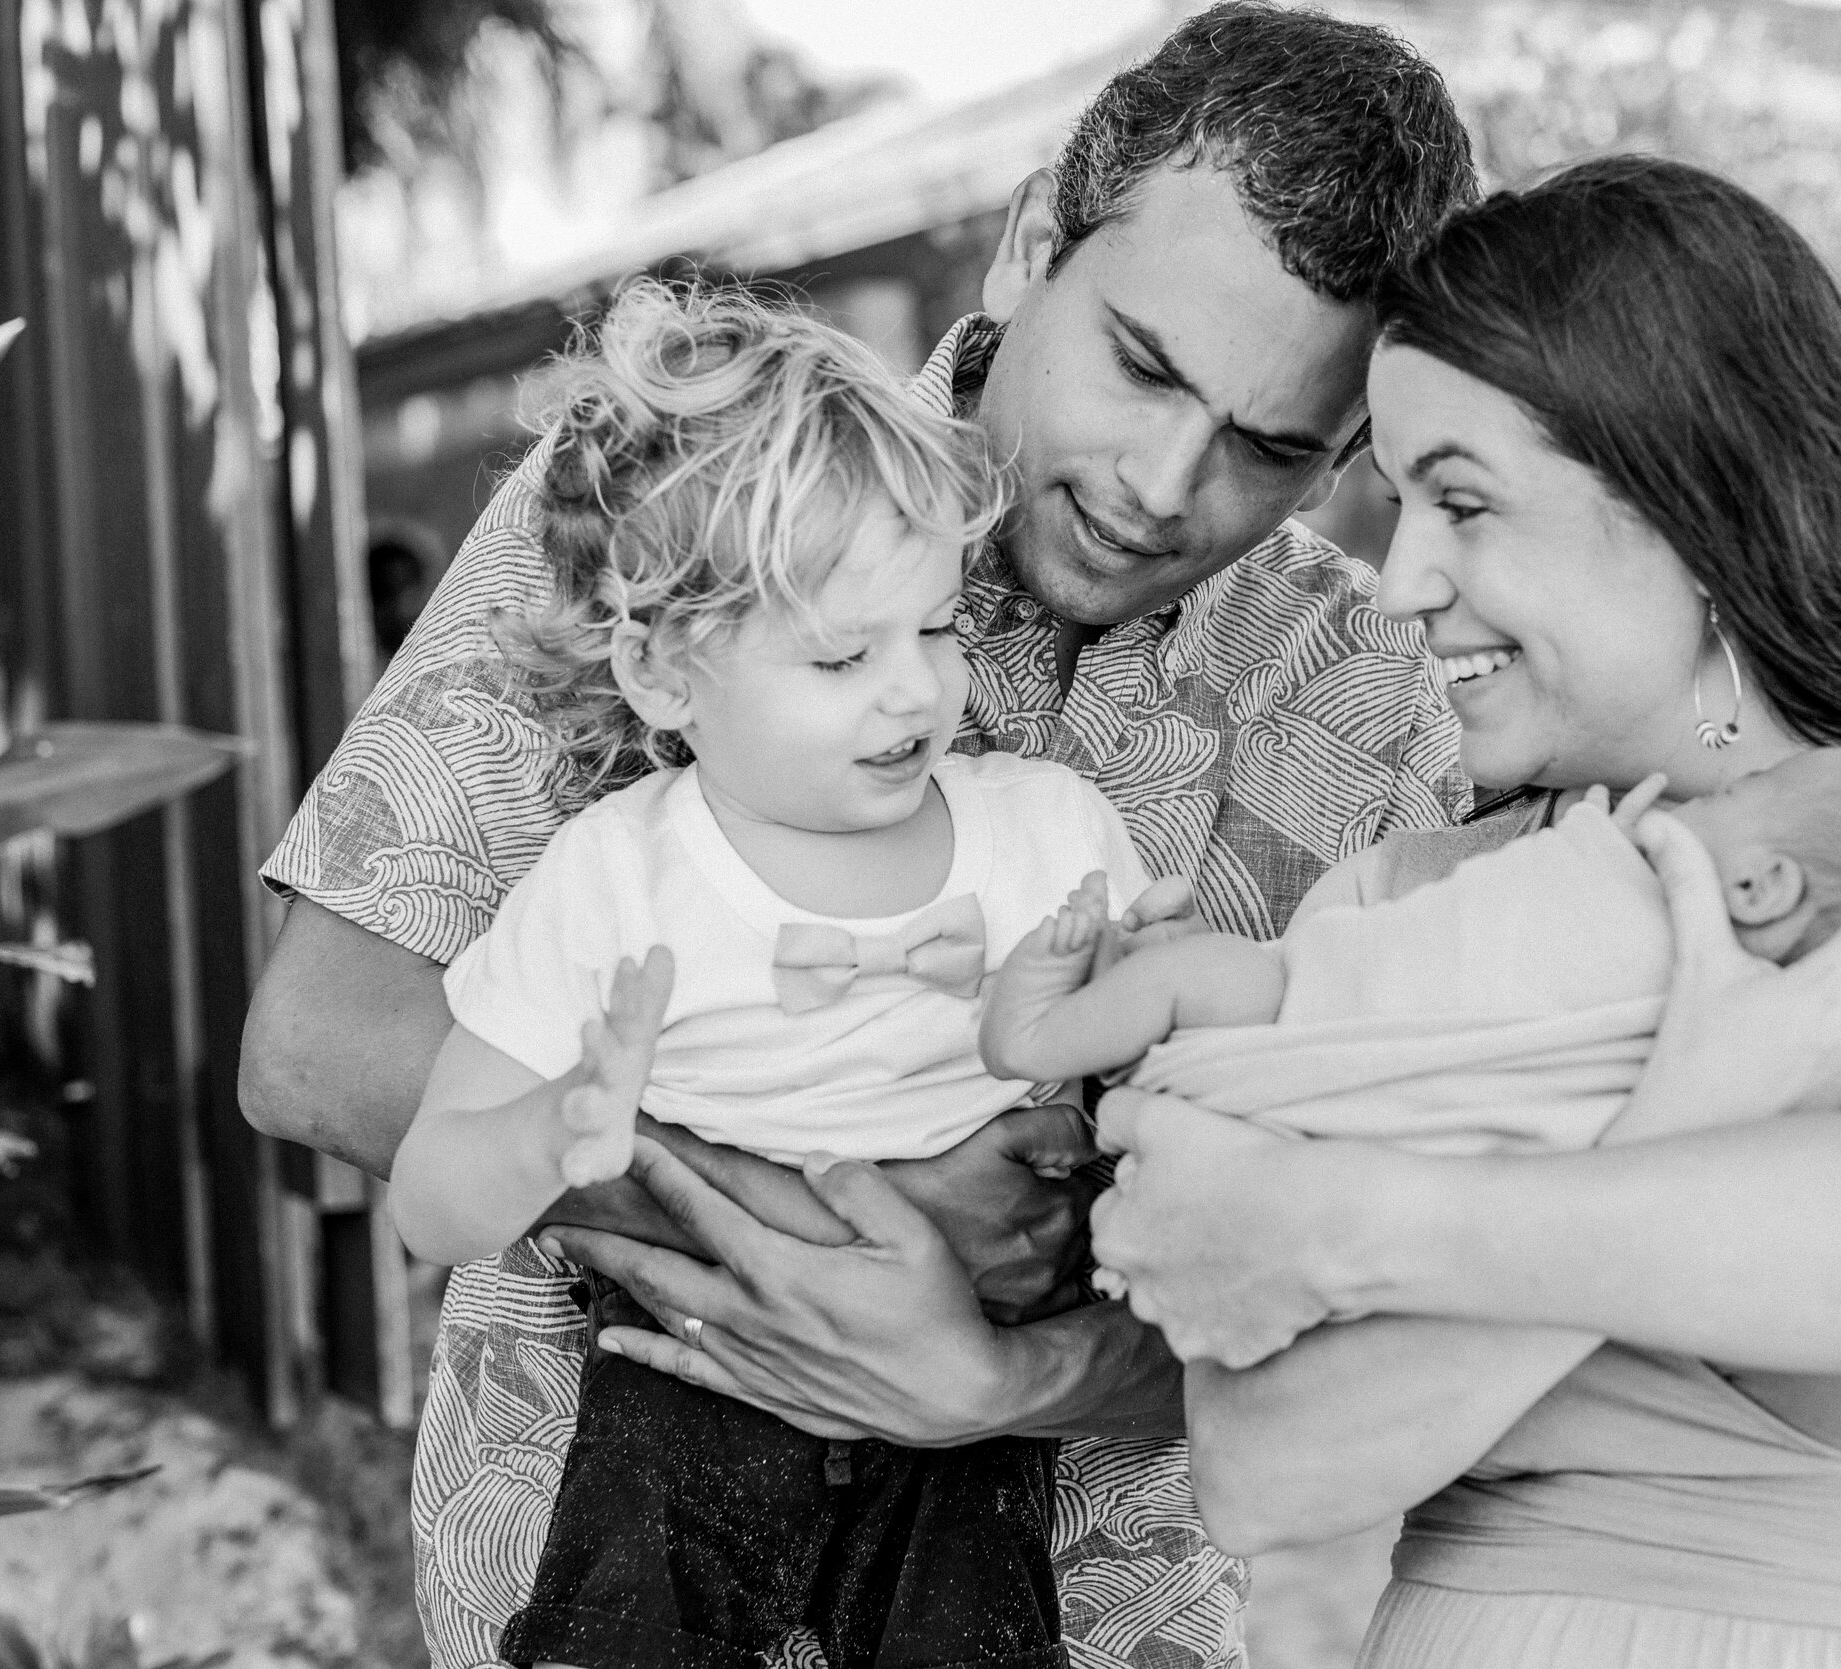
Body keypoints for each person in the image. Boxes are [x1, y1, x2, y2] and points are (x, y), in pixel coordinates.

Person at [235, 7, 1478, 1666]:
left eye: (1272, 449)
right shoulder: (667, 500)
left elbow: (1382, 1295)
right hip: (608, 1574)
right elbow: (322, 1045)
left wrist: (1001, 1369)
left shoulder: (1380, 693)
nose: (1165, 484)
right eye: (1144, 365)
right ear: (1037, 239)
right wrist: (847, 1219)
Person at [1087, 154, 1841, 1669]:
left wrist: (1343, 1225)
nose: (1400, 582)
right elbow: (1270, 1467)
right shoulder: (1405, 904)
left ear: (1701, 500)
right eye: (1395, 505)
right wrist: (1707, 1103)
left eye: (1463, 501)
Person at [390, 285, 1198, 1669]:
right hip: (690, 1374)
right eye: (841, 653)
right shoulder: (616, 879)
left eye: (937, 630)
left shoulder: (1043, 834)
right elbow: (426, 1199)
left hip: (963, 1394)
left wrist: (1122, 986)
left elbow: (1159, 1088)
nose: (914, 694)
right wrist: (555, 1128)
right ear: (661, 672)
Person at [979, 753, 1841, 1158]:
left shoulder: (1661, 952)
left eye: (1727, 804)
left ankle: (1032, 1035)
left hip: (1325, 1016)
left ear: (1757, 887)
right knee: (1185, 961)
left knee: (1181, 976)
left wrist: (1612, 839)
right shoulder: (1707, 1024)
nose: (1691, 805)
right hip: (1357, 1049)